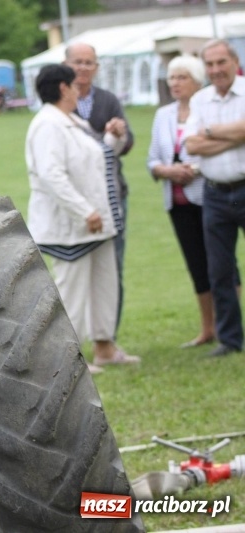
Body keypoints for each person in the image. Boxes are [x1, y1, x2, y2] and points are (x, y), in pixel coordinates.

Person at [25, 64, 140, 373]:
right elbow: (52, 175)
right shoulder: (48, 124)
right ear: (63, 88)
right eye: (74, 85)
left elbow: (94, 160)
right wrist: (83, 210)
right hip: (72, 225)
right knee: (72, 291)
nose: (79, 91)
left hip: (97, 222)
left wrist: (113, 139)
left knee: (104, 284)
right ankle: (67, 359)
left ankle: (105, 346)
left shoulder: (72, 120)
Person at [147, 55, 220, 349]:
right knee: (196, 264)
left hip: (210, 195)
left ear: (197, 80)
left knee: (220, 263)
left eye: (181, 77)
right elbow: (152, 159)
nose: (174, 83)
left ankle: (229, 323)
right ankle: (208, 328)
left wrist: (193, 170)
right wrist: (166, 171)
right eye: (171, 77)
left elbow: (222, 150)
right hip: (176, 202)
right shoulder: (163, 115)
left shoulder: (208, 110)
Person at [65, 42, 135, 337]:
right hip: (76, 197)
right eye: (77, 62)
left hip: (110, 193)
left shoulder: (107, 100)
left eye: (89, 62)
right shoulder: (60, 106)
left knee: (112, 267)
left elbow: (128, 143)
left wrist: (120, 134)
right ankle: (76, 340)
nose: (83, 68)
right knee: (75, 273)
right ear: (66, 65)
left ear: (96, 67)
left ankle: (108, 338)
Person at [185, 39, 245, 357]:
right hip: (216, 194)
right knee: (220, 269)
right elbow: (191, 146)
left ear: (235, 61)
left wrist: (209, 132)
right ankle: (231, 339)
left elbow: (200, 138)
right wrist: (234, 136)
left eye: (221, 62)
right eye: (210, 64)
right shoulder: (200, 99)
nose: (216, 70)